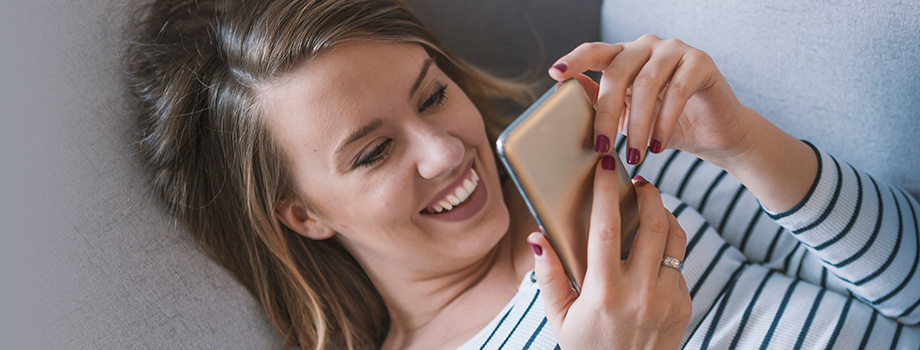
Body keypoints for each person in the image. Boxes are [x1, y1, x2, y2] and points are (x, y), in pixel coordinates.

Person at [125, 0, 920, 349]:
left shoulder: (617, 172)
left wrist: (745, 142)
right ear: (302, 214)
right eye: (372, 152)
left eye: (434, 96)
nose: (444, 153)